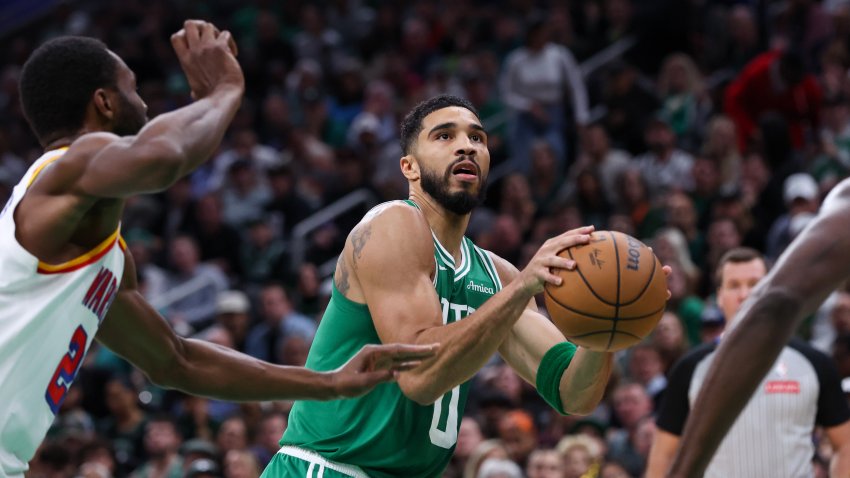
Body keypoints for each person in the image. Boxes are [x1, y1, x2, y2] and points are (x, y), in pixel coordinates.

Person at [0, 21, 437, 476]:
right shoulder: (66, 168)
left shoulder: (103, 260)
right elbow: (165, 156)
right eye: (133, 89)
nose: (146, 104)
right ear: (104, 103)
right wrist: (225, 90)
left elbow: (178, 361)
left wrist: (328, 383)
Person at [264, 95, 659, 478]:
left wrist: (609, 325)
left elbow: (573, 394)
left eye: (477, 138)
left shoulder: (496, 275)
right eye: (444, 136)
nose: (466, 147)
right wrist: (520, 290)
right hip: (327, 468)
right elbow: (419, 377)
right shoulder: (391, 225)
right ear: (410, 167)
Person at [648, 247, 850, 477]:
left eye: (755, 284)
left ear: (772, 291)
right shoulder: (690, 369)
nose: (744, 294)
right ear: (720, 297)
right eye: (734, 286)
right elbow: (662, 456)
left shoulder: (814, 363)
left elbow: (845, 445)